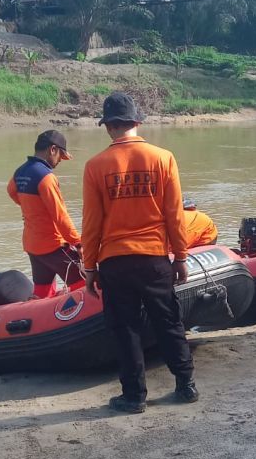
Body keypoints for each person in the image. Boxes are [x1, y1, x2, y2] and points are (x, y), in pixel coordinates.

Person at [81, 92, 198, 414]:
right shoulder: (163, 158)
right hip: (154, 260)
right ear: (137, 122)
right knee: (169, 322)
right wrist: (182, 257)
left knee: (125, 329)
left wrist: (89, 267)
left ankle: (134, 397)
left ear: (108, 127)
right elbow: (174, 214)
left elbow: (91, 223)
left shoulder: (95, 166)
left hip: (115, 262)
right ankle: (185, 385)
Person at [8, 129, 84, 298]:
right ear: (53, 150)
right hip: (54, 246)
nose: (59, 162)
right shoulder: (46, 177)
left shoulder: (20, 172)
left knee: (42, 292)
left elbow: (11, 191)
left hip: (32, 246)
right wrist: (78, 243)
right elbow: (60, 216)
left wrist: (31, 209)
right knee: (84, 282)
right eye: (60, 156)